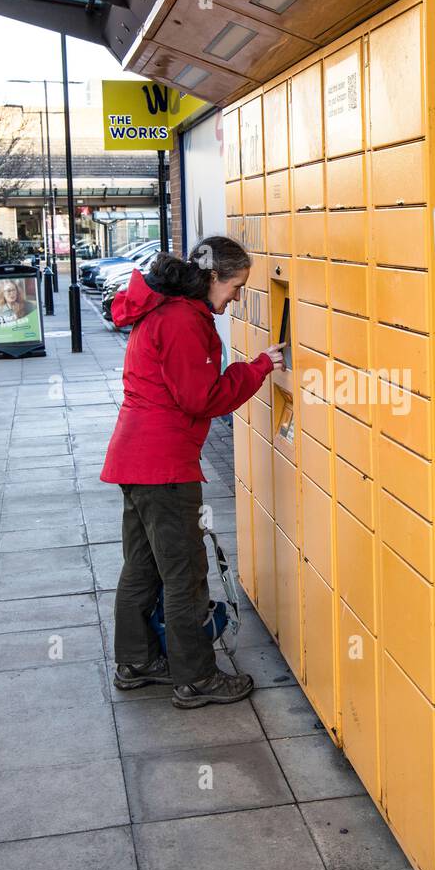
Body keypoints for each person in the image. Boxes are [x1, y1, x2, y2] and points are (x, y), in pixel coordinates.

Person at [100, 235, 285, 708]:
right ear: (212, 277)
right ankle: (197, 677)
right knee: (184, 573)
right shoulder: (185, 320)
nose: (238, 297)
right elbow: (201, 398)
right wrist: (260, 367)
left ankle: (137, 661)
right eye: (236, 285)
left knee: (143, 566)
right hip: (163, 466)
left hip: (136, 458)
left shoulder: (165, 309)